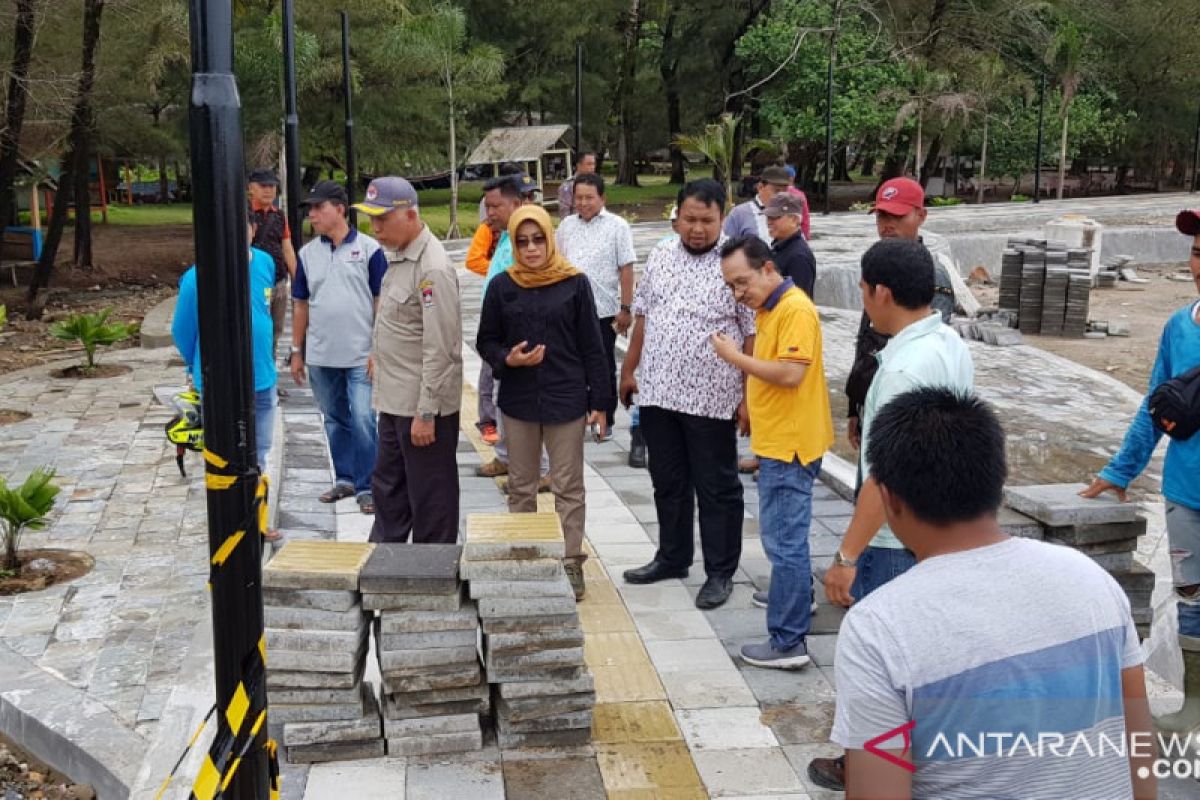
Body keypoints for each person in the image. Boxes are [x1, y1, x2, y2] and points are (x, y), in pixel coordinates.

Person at [829, 387, 1154, 800]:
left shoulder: (879, 629)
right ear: (1000, 479)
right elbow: (1138, 738)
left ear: (889, 499)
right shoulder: (1092, 580)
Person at [809, 238, 973, 791]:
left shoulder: (906, 365)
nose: (864, 300)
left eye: (863, 290)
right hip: (934, 525)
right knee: (920, 656)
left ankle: (872, 767)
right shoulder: (946, 342)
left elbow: (884, 478)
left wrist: (845, 555)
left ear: (880, 291)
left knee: (885, 666)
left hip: (893, 541)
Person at [1081, 208, 1200, 733]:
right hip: (1185, 491)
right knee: (1192, 595)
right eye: (1197, 252)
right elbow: (1157, 406)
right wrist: (1120, 471)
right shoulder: (1179, 327)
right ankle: (1194, 704)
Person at [620, 179, 755, 610]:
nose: (697, 229)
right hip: (659, 392)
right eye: (690, 219)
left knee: (716, 487)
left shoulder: (736, 261)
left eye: (707, 220)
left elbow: (752, 332)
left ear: (722, 217)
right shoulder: (660, 255)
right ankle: (673, 556)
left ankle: (720, 571)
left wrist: (747, 396)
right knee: (668, 482)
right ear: (676, 216)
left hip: (712, 397)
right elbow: (643, 315)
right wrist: (628, 369)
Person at [476, 205, 610, 600]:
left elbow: (592, 346)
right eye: (522, 241)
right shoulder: (503, 285)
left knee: (569, 485)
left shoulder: (573, 283)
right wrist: (508, 359)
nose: (531, 248)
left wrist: (600, 402)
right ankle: (526, 557)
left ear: (549, 239)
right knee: (520, 486)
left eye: (538, 239)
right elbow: (486, 340)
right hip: (518, 399)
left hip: (566, 397)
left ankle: (570, 562)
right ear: (513, 244)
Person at [712, 236, 833, 669]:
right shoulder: (770, 308)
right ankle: (794, 597)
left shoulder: (795, 310)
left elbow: (788, 374)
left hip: (791, 444)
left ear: (767, 268)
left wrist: (732, 357)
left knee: (784, 543)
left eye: (742, 282)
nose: (738, 293)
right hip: (781, 439)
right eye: (731, 286)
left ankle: (788, 641)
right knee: (786, 540)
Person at [354, 177, 462, 544]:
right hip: (394, 400)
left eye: (383, 219)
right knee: (388, 491)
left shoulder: (432, 268)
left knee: (431, 501)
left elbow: (442, 347)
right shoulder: (398, 255)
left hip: (422, 408)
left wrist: (427, 411)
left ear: (411, 215)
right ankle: (385, 568)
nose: (376, 228)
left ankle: (432, 577)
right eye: (372, 219)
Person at [844, 177, 957, 462]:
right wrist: (855, 404)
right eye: (882, 215)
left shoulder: (931, 275)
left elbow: (930, 351)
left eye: (897, 215)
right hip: (874, 398)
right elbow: (866, 339)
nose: (887, 224)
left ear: (921, 216)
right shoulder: (877, 265)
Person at [289, 180, 385, 514]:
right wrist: (297, 350)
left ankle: (368, 485)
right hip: (321, 354)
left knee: (362, 418)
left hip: (361, 354)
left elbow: (380, 301)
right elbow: (300, 304)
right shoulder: (307, 254)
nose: (313, 214)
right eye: (310, 209)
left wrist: (378, 348)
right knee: (333, 418)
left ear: (340, 209)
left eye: (319, 207)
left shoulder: (370, 251)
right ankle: (344, 477)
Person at [173, 221, 278, 476]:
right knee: (224, 448)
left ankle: (256, 487)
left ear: (253, 229)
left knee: (260, 446)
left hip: (262, 373)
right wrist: (197, 364)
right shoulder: (197, 277)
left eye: (243, 227)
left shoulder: (265, 262)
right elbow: (182, 330)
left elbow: (266, 309)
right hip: (219, 378)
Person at [474, 175, 550, 488]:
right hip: (496, 337)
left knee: (521, 405)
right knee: (495, 398)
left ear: (517, 204)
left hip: (517, 339)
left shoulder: (528, 243)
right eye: (487, 207)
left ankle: (540, 469)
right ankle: (507, 458)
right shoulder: (504, 239)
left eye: (495, 207)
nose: (489, 214)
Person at [556, 172, 637, 437]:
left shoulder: (617, 226)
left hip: (603, 310)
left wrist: (626, 308)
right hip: (569, 310)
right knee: (573, 364)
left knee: (602, 365)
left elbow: (626, 268)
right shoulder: (566, 226)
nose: (583, 202)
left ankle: (606, 419)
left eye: (589, 197)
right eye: (578, 197)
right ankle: (578, 415)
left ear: (602, 198)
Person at [247, 169, 297, 355]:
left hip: (278, 281)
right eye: (263, 186)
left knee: (276, 328)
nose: (268, 190)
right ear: (251, 188)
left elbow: (287, 248)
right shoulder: (246, 213)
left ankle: (270, 367)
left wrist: (296, 277)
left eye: (271, 186)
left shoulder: (279, 216)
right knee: (257, 327)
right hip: (256, 281)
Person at [764, 194, 816, 298]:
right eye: (768, 217)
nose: (769, 222)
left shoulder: (798, 257)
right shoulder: (778, 247)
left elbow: (798, 301)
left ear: (794, 219)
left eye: (775, 217)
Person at [723, 165, 792, 243]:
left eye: (785, 191)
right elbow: (725, 247)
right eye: (777, 191)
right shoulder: (739, 213)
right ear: (760, 187)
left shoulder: (790, 213)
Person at [558, 151, 598, 218]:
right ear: (579, 165)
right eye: (589, 164)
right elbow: (564, 211)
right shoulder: (569, 185)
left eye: (593, 164)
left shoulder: (596, 183)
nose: (592, 167)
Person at [782, 165, 812, 240]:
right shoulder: (800, 195)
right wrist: (806, 235)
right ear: (793, 178)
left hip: (780, 234)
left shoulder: (775, 193)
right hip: (796, 233)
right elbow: (805, 217)